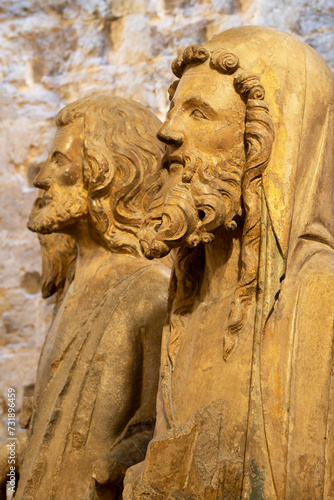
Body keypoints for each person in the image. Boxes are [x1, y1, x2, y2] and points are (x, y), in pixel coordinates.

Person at [124, 26, 334, 498]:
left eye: (200, 113)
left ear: (265, 142)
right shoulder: (188, 295)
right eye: (175, 108)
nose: (168, 131)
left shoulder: (314, 296)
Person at [11, 93, 170, 499]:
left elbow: (159, 427)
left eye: (60, 161)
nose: (40, 178)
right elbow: (55, 435)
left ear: (109, 172)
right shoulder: (73, 289)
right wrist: (12, 458)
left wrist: (118, 461)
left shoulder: (149, 290)